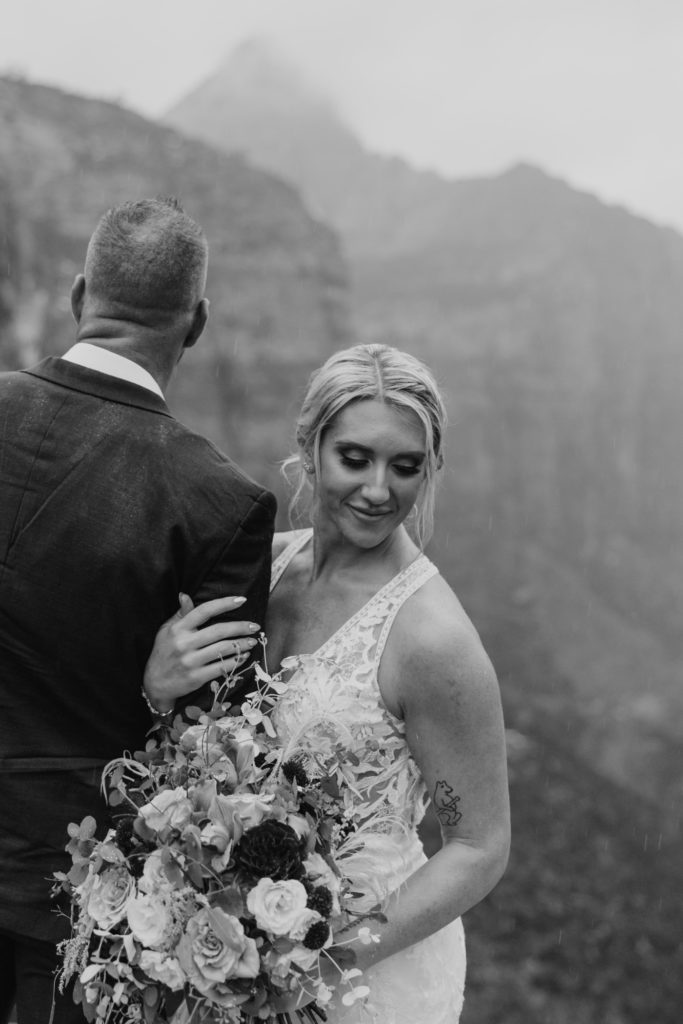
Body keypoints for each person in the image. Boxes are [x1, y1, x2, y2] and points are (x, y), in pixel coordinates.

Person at [150, 343, 510, 1023]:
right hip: (228, 952)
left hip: (364, 981)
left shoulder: (432, 640)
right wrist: (159, 686)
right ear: (309, 446)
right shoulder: (262, 569)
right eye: (355, 458)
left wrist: (334, 955)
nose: (379, 490)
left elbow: (479, 847)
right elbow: (196, 735)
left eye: (405, 467)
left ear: (430, 470)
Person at [0, 197, 276, 1024]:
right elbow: (216, 753)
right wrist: (156, 694)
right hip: (76, 904)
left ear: (80, 293)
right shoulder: (221, 504)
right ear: (194, 326)